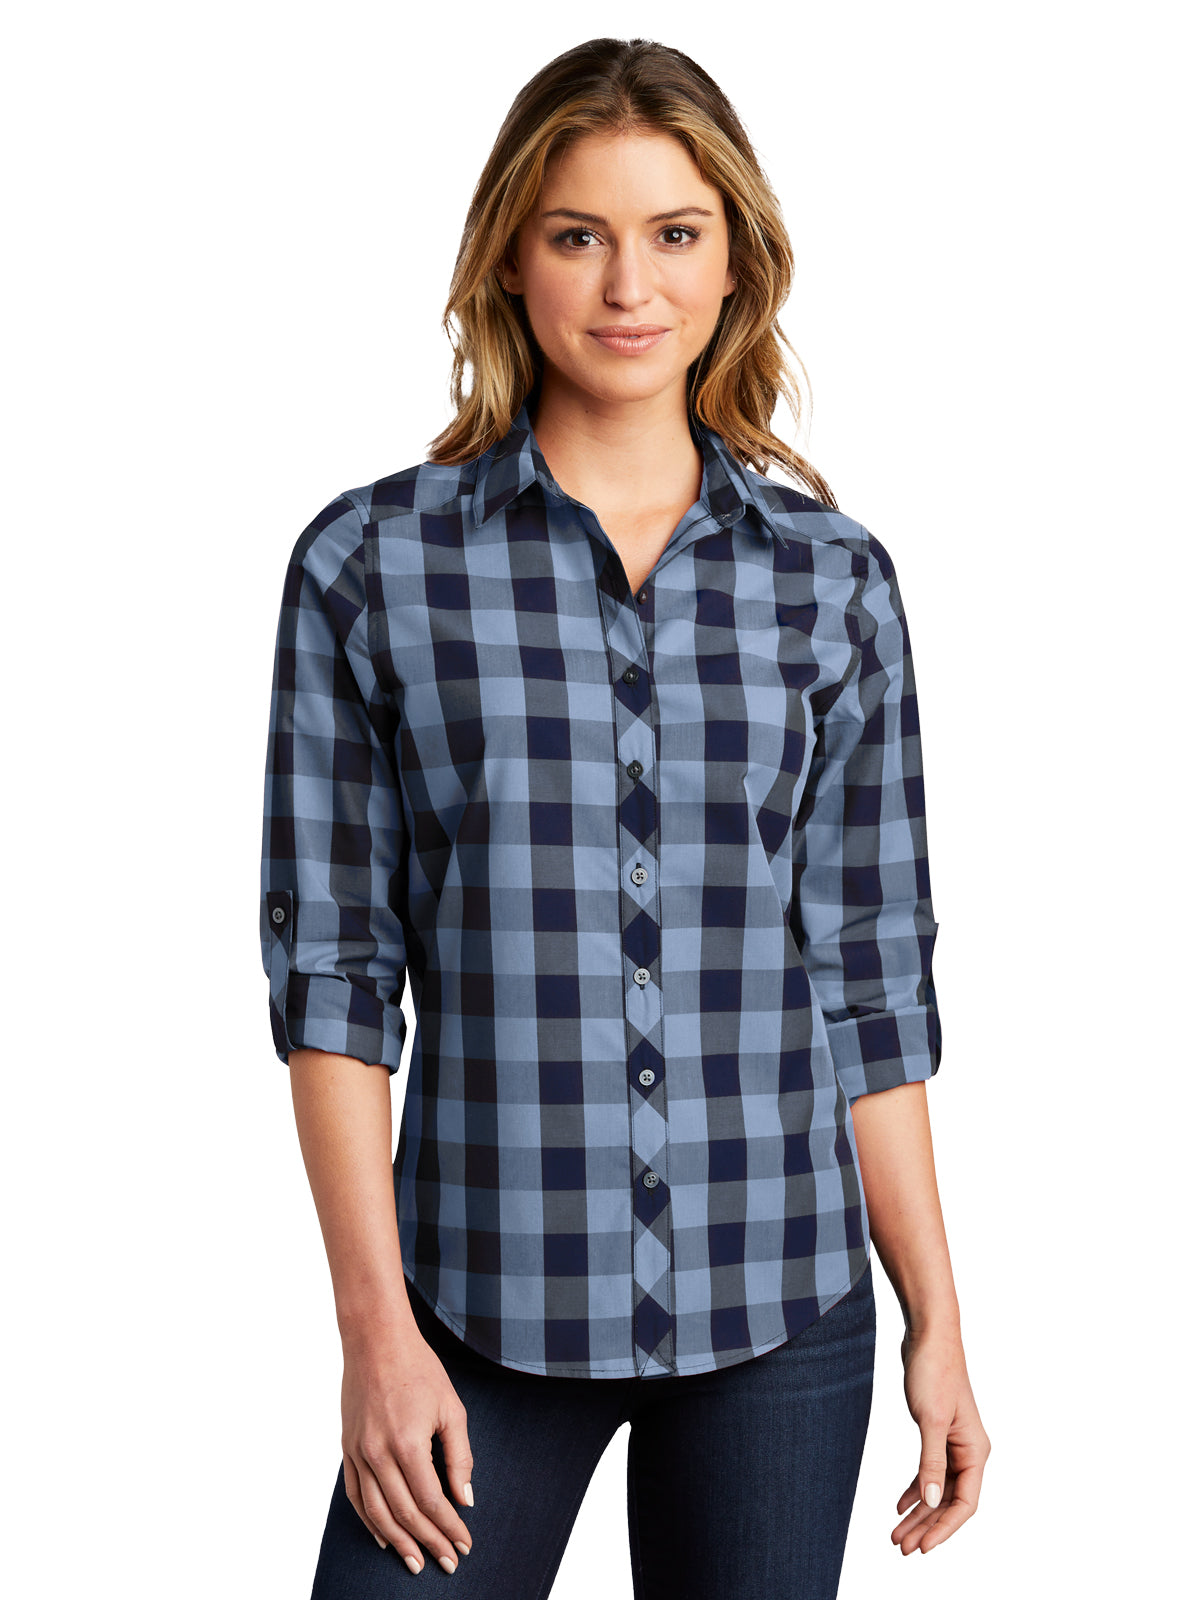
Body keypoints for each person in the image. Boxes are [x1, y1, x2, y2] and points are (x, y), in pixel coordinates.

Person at [260, 35, 990, 1600]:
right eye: (578, 234)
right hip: (480, 1303)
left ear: (735, 264)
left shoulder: (833, 584)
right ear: (508, 261)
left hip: (780, 1301)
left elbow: (870, 978)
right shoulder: (370, 569)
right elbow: (334, 986)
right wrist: (374, 1334)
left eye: (675, 233)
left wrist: (937, 1317)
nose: (628, 285)